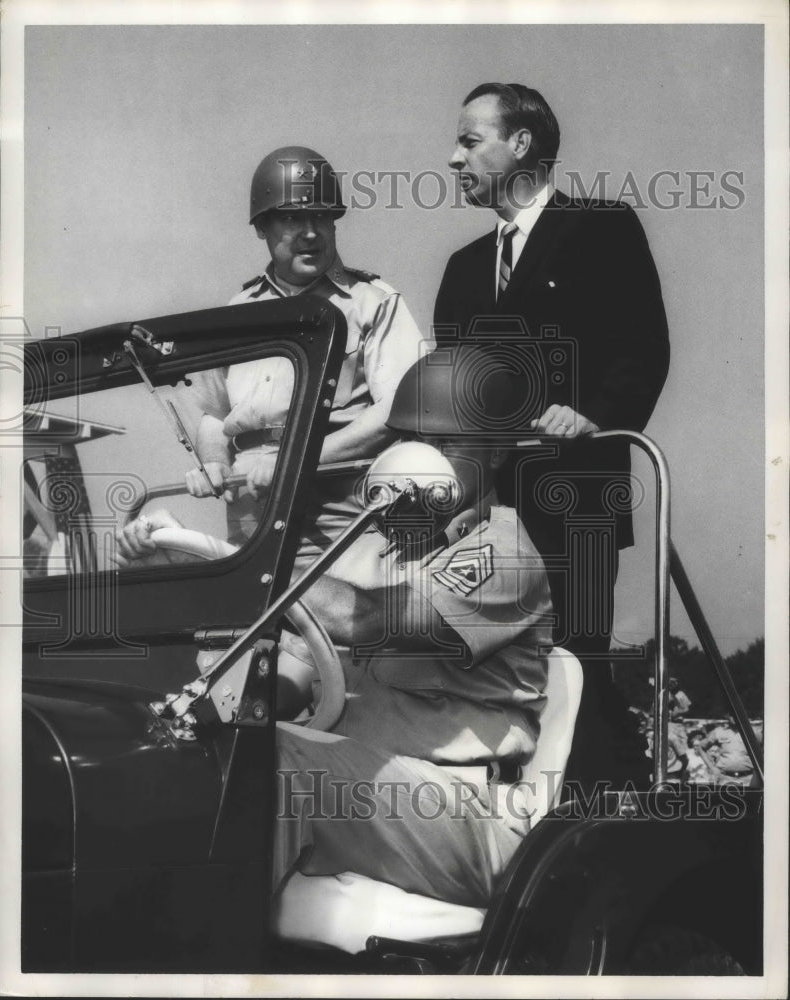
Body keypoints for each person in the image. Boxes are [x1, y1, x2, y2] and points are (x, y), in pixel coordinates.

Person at [115, 347, 555, 906]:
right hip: (360, 790)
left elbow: (371, 621)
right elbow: (292, 677)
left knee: (272, 763)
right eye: (412, 442)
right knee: (198, 749)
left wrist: (223, 561)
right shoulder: (368, 548)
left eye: (447, 444)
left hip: (461, 809)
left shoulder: (502, 553)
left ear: (494, 453)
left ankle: (213, 961)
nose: (424, 461)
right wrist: (178, 571)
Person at [434, 82, 670, 790]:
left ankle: (617, 828)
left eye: (470, 140)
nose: (453, 158)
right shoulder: (462, 270)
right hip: (488, 516)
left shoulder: (602, 228)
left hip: (578, 502)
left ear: (521, 144)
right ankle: (524, 835)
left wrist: (591, 414)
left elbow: (642, 350)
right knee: (491, 672)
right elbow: (457, 405)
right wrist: (463, 494)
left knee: (573, 667)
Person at [186, 145, 427, 571]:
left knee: (341, 630)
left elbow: (399, 409)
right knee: (249, 631)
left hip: (342, 517)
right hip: (250, 515)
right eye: (292, 218)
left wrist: (292, 460)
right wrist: (212, 464)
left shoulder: (373, 303)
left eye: (321, 216)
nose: (311, 231)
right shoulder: (234, 312)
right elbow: (212, 415)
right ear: (262, 227)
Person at [694, 721, 754, 785]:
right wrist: (712, 768)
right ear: (727, 715)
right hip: (725, 778)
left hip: (748, 778)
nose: (733, 717)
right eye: (731, 714)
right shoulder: (718, 732)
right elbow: (701, 747)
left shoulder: (752, 731)